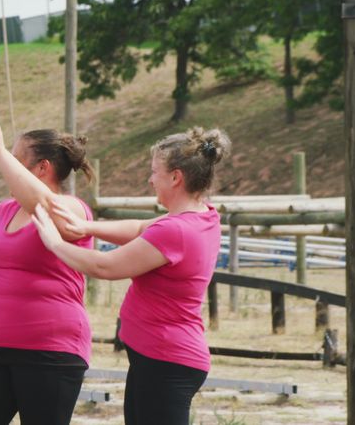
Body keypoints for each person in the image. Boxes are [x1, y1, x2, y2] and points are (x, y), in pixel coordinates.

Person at [31, 127, 230, 425]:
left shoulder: (175, 230)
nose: (150, 180)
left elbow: (105, 267)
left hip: (167, 359)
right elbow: (140, 229)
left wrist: (55, 244)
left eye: (154, 172)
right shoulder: (202, 217)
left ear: (176, 177)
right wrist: (87, 228)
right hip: (160, 358)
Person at [0, 112, 100, 425]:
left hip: (52, 351)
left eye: (16, 159)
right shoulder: (7, 210)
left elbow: (43, 205)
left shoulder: (71, 208)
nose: (6, 167)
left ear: (43, 168)